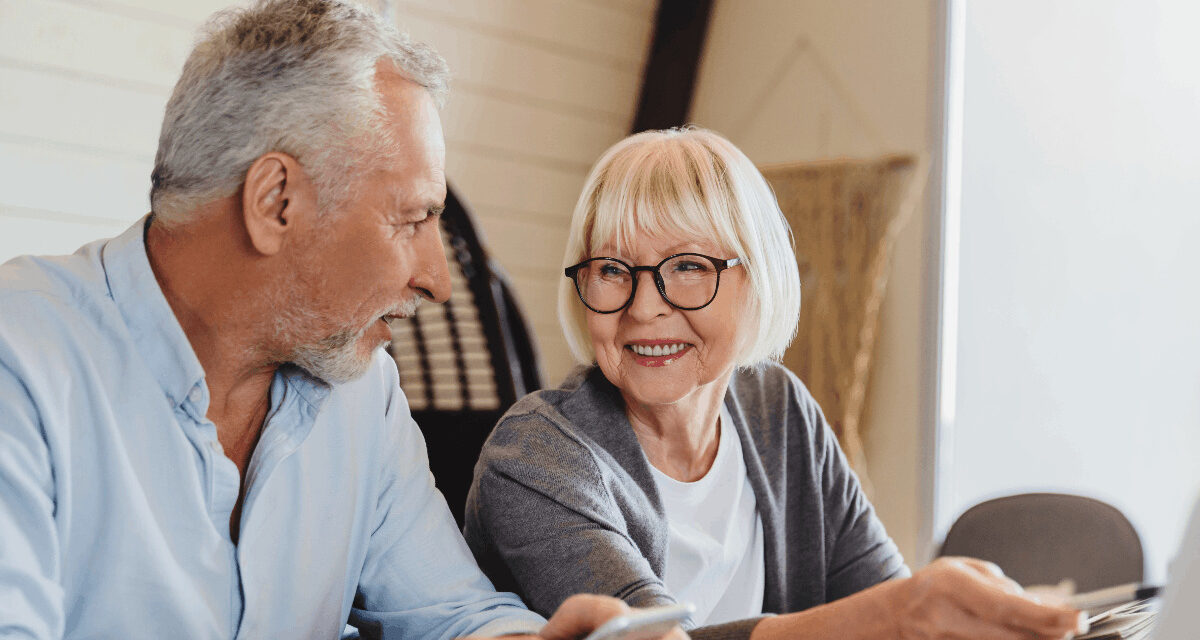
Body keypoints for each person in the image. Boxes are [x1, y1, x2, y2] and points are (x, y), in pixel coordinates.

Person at [0, 2, 685, 639]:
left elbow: (453, 615)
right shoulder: (20, 364)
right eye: (413, 219)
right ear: (276, 202)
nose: (438, 281)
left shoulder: (362, 397)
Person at [462, 128, 1090, 640]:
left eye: (687, 267)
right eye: (612, 269)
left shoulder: (780, 409)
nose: (644, 307)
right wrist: (897, 615)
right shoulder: (534, 457)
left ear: (756, 279)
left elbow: (879, 604)